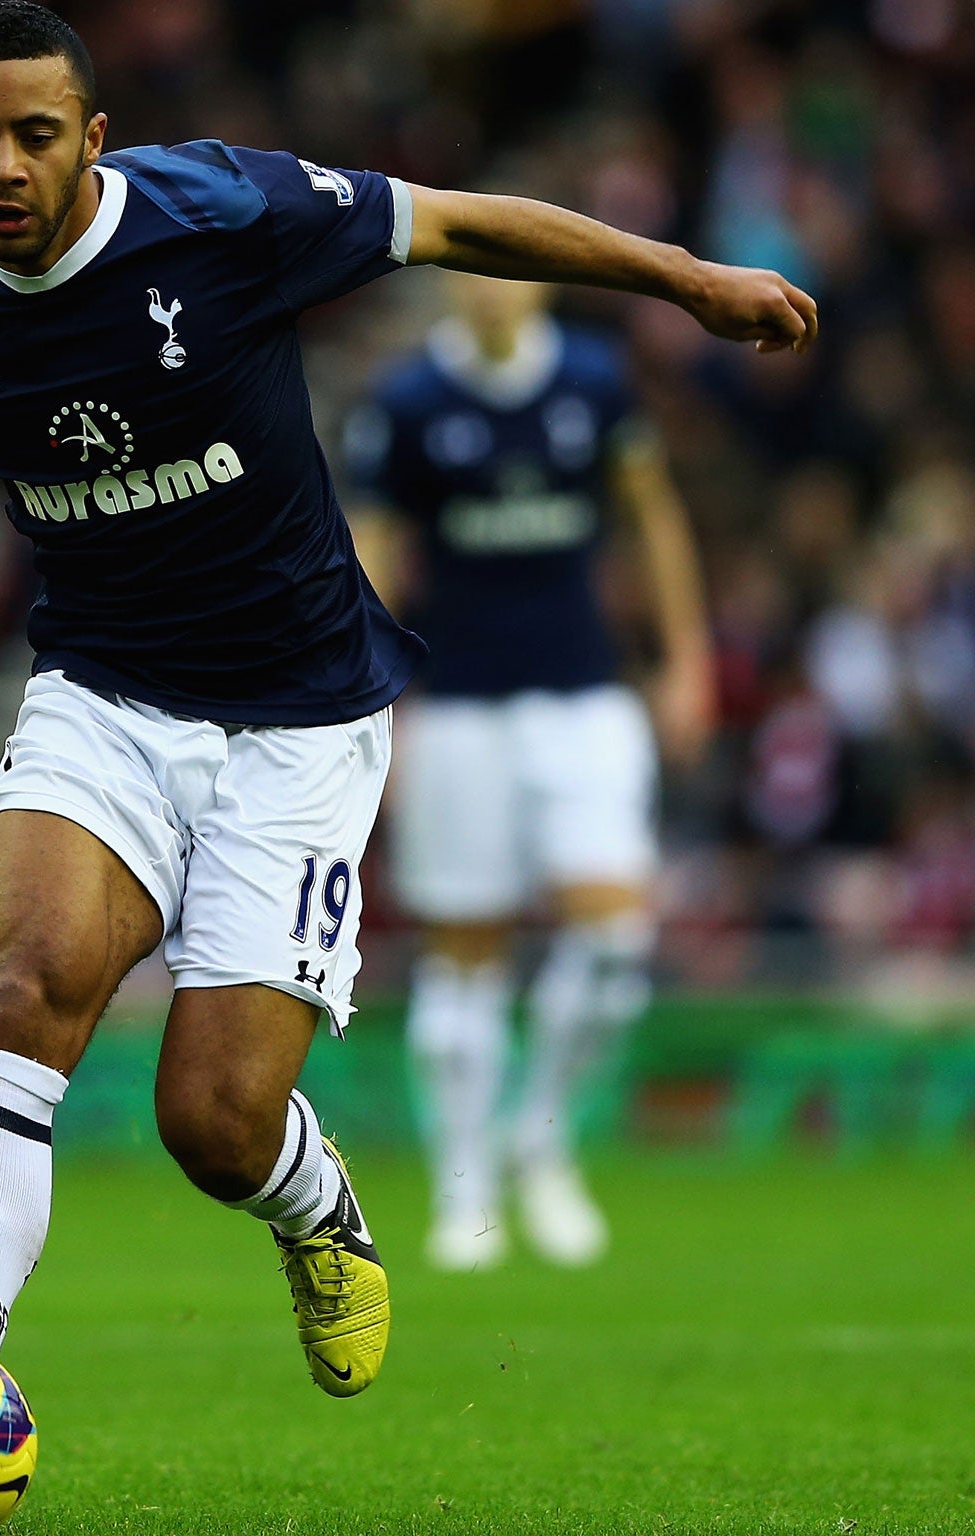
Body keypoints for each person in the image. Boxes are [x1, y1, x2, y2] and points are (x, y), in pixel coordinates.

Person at [0, 0, 814, 1401]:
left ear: (92, 140)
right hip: (102, 693)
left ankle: (315, 1207)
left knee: (215, 1126)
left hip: (301, 718)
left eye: (36, 137)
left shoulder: (222, 212)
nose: (3, 166)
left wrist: (687, 279)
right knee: (28, 986)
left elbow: (456, 223)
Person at [346, 274, 714, 1270]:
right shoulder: (411, 400)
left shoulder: (593, 384)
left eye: (506, 270)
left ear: (542, 280)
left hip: (583, 697)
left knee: (612, 938)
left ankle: (538, 1135)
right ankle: (463, 1185)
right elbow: (373, 556)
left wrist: (685, 657)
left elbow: (654, 516)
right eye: (471, 268)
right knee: (464, 957)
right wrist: (363, 706)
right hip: (459, 707)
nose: (490, 290)